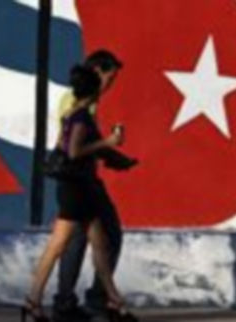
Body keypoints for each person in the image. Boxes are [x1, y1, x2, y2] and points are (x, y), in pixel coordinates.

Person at [22, 65, 137, 322]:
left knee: (99, 245)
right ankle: (34, 301)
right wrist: (107, 142)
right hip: (77, 191)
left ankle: (114, 301)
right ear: (94, 91)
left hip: (78, 189)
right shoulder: (82, 117)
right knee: (60, 246)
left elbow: (62, 146)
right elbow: (73, 152)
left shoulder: (71, 113)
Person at [53, 50, 133, 321]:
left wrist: (113, 157)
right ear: (98, 71)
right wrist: (109, 145)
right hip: (80, 182)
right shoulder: (80, 103)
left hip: (81, 180)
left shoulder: (84, 101)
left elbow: (86, 142)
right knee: (107, 236)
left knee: (78, 241)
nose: (111, 84)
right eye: (111, 77)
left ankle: (68, 303)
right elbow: (73, 148)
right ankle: (93, 302)